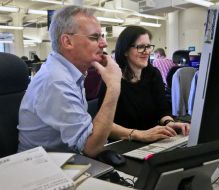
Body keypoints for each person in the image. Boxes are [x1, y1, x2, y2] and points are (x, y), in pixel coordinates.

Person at [17, 5, 122, 157]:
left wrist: (136, 134)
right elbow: (91, 147)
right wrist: (114, 86)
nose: (104, 44)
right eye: (94, 37)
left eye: (102, 36)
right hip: (40, 170)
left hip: (63, 161)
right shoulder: (56, 80)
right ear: (67, 42)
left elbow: (86, 127)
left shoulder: (71, 71)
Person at [98, 26, 189, 143]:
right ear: (125, 50)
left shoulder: (153, 74)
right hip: (124, 143)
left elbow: (163, 110)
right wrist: (140, 135)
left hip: (154, 140)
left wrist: (170, 123)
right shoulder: (112, 79)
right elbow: (105, 125)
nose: (147, 51)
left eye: (148, 46)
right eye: (141, 47)